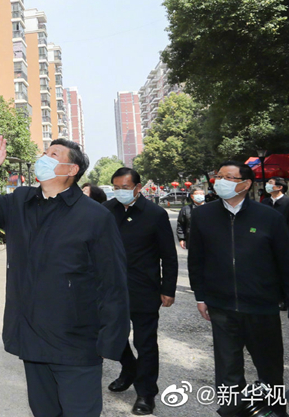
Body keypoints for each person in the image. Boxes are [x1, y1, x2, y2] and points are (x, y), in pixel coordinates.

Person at [0, 137, 129, 417]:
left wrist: (110, 341)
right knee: (43, 411)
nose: (43, 158)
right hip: (32, 336)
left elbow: (112, 282)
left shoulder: (95, 216)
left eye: (53, 154)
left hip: (76, 341)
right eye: (44, 152)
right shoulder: (21, 202)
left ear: (71, 170)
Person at [188, 161, 289, 416]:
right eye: (219, 176)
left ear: (246, 184)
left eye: (229, 177)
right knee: (228, 370)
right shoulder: (203, 215)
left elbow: (288, 264)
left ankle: (276, 411)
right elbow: (196, 260)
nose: (220, 181)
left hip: (261, 306)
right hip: (221, 306)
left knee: (269, 369)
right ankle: (233, 411)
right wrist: (200, 296)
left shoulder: (269, 217)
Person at [104, 167, 178, 415]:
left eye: (125, 188)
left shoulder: (155, 214)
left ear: (138, 187)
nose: (120, 192)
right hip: (111, 288)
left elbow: (168, 255)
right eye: (116, 187)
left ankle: (146, 393)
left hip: (144, 288)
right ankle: (129, 368)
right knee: (111, 335)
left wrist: (168, 288)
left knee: (145, 342)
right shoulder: (106, 210)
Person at [262, 177, 289, 252]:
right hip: (267, 240)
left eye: (270, 183)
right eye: (267, 182)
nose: (267, 185)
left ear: (280, 187)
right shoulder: (265, 202)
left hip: (285, 241)